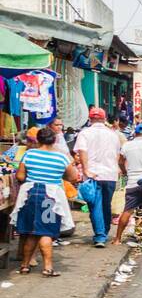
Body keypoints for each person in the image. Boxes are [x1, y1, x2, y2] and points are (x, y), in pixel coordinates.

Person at [13, 126, 77, 275]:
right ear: (54, 140)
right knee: (46, 231)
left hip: (29, 194)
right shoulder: (61, 157)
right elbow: (73, 177)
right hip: (51, 196)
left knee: (30, 231)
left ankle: (24, 265)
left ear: (38, 139)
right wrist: (59, 176)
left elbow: (20, 176)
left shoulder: (29, 154)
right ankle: (48, 267)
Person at [74, 106, 124, 247]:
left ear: (90, 119)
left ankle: (100, 236)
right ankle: (104, 232)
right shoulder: (113, 134)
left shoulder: (85, 133)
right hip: (110, 174)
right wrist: (116, 167)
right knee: (106, 204)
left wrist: (85, 170)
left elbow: (82, 151)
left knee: (95, 206)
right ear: (104, 119)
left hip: (93, 174)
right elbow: (117, 154)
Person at [114, 124, 142, 245]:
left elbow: (120, 161)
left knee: (128, 211)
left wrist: (124, 171)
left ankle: (117, 239)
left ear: (135, 133)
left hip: (133, 182)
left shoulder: (127, 146)